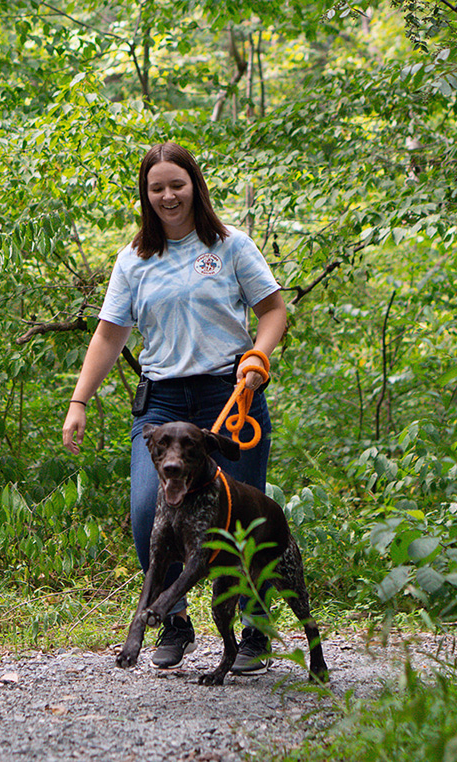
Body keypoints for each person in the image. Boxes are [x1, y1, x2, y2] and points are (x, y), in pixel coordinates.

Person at [62, 142, 287, 674]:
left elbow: (274, 310)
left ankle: (255, 630)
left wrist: (257, 356)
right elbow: (109, 334)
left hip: (230, 400)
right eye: (156, 187)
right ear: (146, 193)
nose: (167, 195)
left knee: (243, 520)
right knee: (148, 511)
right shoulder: (134, 259)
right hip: (162, 406)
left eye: (176, 184)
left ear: (195, 185)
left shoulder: (231, 246)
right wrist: (79, 401)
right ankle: (175, 621)